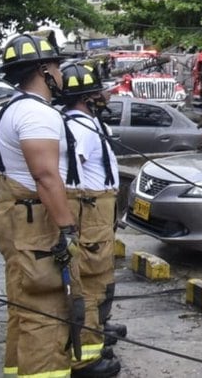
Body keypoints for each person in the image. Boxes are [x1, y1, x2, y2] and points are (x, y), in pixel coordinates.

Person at [0, 34, 110, 377]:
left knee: (25, 301)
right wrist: (68, 228)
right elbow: (45, 177)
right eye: (56, 65)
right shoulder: (36, 114)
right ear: (43, 70)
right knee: (47, 309)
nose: (60, 74)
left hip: (19, 216)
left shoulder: (16, 108)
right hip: (36, 220)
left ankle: (17, 367)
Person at [58, 63, 125, 374]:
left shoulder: (89, 123)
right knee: (91, 278)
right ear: (87, 97)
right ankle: (86, 354)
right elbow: (73, 178)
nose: (104, 97)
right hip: (90, 210)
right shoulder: (77, 128)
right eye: (98, 92)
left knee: (102, 274)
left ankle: (98, 333)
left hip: (101, 208)